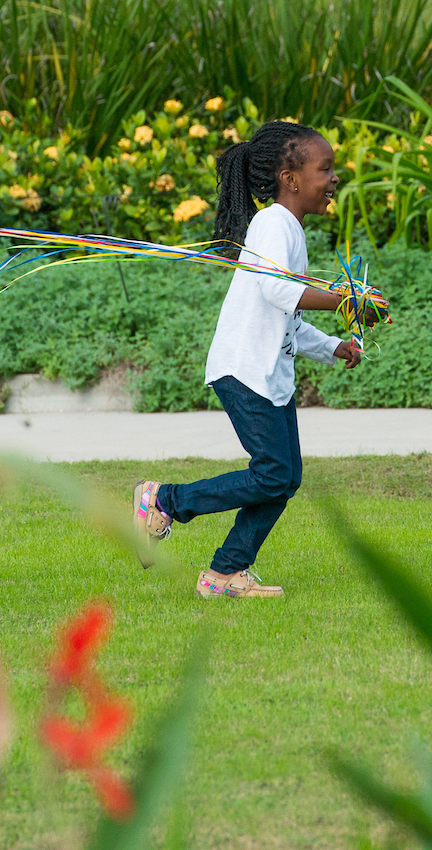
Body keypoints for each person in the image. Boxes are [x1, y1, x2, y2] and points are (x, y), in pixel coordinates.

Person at [133, 119, 369, 598]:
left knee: (282, 479)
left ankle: (224, 575)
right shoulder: (272, 223)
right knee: (274, 474)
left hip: (268, 373)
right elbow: (279, 290)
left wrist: (334, 347)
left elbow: (289, 319)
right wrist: (345, 298)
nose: (334, 178)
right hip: (244, 370)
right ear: (291, 178)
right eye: (326, 168)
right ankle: (162, 501)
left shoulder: (290, 230)